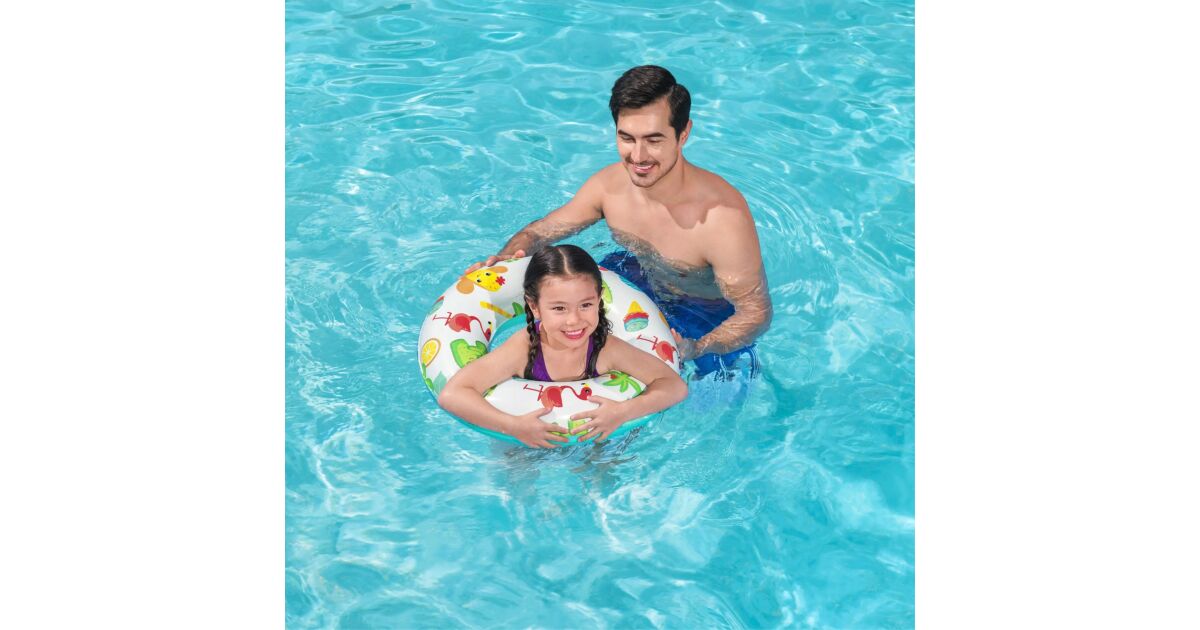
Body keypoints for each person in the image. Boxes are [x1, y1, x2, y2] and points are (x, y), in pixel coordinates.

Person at [466, 65, 772, 377]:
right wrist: (507, 258)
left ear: (683, 134)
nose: (638, 156)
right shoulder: (609, 187)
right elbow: (539, 232)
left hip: (701, 315)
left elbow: (756, 312)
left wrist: (699, 346)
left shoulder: (722, 219)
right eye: (627, 138)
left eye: (653, 140)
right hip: (633, 282)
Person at [439, 245, 687, 448]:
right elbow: (453, 394)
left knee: (604, 474)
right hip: (525, 438)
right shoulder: (523, 349)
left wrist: (623, 412)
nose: (574, 321)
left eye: (586, 305)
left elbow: (674, 386)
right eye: (559, 308)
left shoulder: (606, 347)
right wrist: (513, 426)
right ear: (535, 307)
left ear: (599, 299)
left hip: (595, 437)